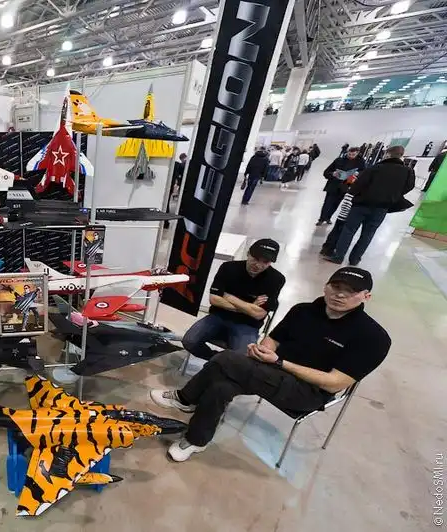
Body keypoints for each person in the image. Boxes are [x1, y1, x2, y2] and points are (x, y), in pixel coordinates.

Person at [151, 267, 390, 462]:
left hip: (308, 391)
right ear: (326, 286)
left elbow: (334, 383)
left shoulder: (373, 337)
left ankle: (185, 398)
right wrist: (264, 350)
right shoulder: (304, 311)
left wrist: (281, 362)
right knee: (221, 385)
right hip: (271, 370)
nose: (340, 295)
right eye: (336, 287)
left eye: (351, 291)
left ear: (366, 296)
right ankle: (196, 440)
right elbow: (273, 339)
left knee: (227, 359)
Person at [180, 239, 285, 363]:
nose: (258, 265)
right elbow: (214, 299)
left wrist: (228, 297)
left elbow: (259, 314)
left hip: (247, 325)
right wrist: (250, 307)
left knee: (242, 360)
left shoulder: (276, 279)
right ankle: (218, 361)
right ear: (248, 253)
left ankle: (222, 363)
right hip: (218, 316)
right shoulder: (228, 267)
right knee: (189, 341)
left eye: (265, 262)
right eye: (255, 258)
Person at [325, 145, 415, 266]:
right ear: (401, 156)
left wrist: (354, 193)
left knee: (349, 230)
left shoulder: (375, 168)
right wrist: (393, 194)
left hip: (361, 205)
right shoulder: (408, 172)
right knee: (368, 234)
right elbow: (409, 187)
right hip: (382, 208)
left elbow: (358, 185)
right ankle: (355, 259)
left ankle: (338, 256)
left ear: (388, 154)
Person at [317, 147, 365, 225]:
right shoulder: (339, 160)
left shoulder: (360, 163)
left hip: (346, 185)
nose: (351, 156)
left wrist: (357, 174)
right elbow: (326, 172)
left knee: (336, 204)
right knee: (327, 203)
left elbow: (363, 173)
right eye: (349, 154)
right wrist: (333, 174)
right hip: (333, 185)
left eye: (353, 154)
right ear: (347, 152)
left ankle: (328, 217)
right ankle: (321, 219)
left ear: (357, 154)